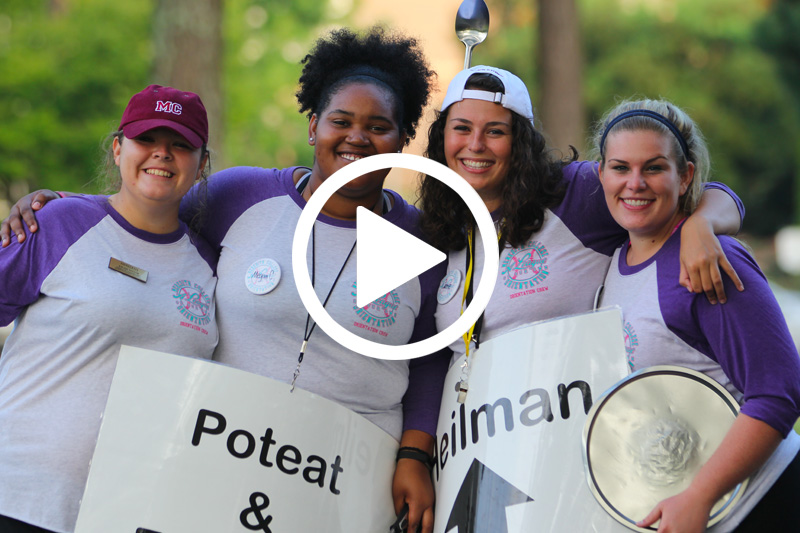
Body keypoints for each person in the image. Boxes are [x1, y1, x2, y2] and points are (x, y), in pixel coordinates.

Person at [0, 28, 444, 533]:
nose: (357, 137)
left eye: (379, 126)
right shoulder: (240, 197)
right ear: (313, 126)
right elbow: (144, 214)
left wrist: (415, 452)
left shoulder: (424, 243)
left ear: (404, 137)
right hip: (218, 466)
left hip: (343, 479)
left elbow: (431, 355)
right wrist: (62, 212)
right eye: (340, 121)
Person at [418, 66, 744, 384]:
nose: (475, 144)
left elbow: (713, 194)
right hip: (480, 431)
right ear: (441, 137)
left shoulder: (571, 193)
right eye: (461, 128)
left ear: (520, 141)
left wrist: (699, 225)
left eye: (495, 131)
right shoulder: (442, 224)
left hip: (577, 426)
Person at [0, 85, 219, 532]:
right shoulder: (56, 223)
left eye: (180, 145)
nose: (162, 154)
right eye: (147, 140)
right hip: (19, 498)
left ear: (201, 165)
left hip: (127, 515)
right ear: (119, 148)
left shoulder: (211, 265)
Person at [593, 98, 800, 532]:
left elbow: (778, 392)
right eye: (620, 168)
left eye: (653, 167)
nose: (635, 183)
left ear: (685, 176)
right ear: (601, 174)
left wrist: (700, 494)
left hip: (763, 504)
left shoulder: (709, 259)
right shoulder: (613, 264)